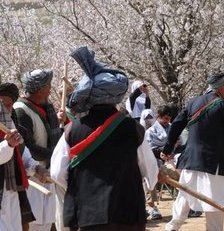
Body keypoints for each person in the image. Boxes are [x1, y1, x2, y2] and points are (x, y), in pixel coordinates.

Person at [50, 46, 159, 231]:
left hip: (86, 215)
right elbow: (150, 169)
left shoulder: (71, 130)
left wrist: (82, 188)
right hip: (127, 213)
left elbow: (57, 173)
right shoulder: (133, 129)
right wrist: (148, 182)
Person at [160, 72, 224, 231]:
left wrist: (167, 148)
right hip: (212, 164)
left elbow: (176, 124)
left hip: (190, 160)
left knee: (184, 199)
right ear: (220, 88)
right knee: (215, 204)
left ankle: (171, 228)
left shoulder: (193, 102)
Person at [14, 69, 64, 231]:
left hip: (48, 174)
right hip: (33, 178)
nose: (51, 89)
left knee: (47, 221)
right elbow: (26, 147)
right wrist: (56, 156)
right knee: (34, 223)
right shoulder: (21, 110)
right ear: (40, 89)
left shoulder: (45, 108)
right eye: (48, 85)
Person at [0, 83, 47, 231]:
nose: (6, 109)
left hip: (12, 189)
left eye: (9, 105)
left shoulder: (11, 123)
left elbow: (22, 152)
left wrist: (36, 167)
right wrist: (7, 146)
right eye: (3, 105)